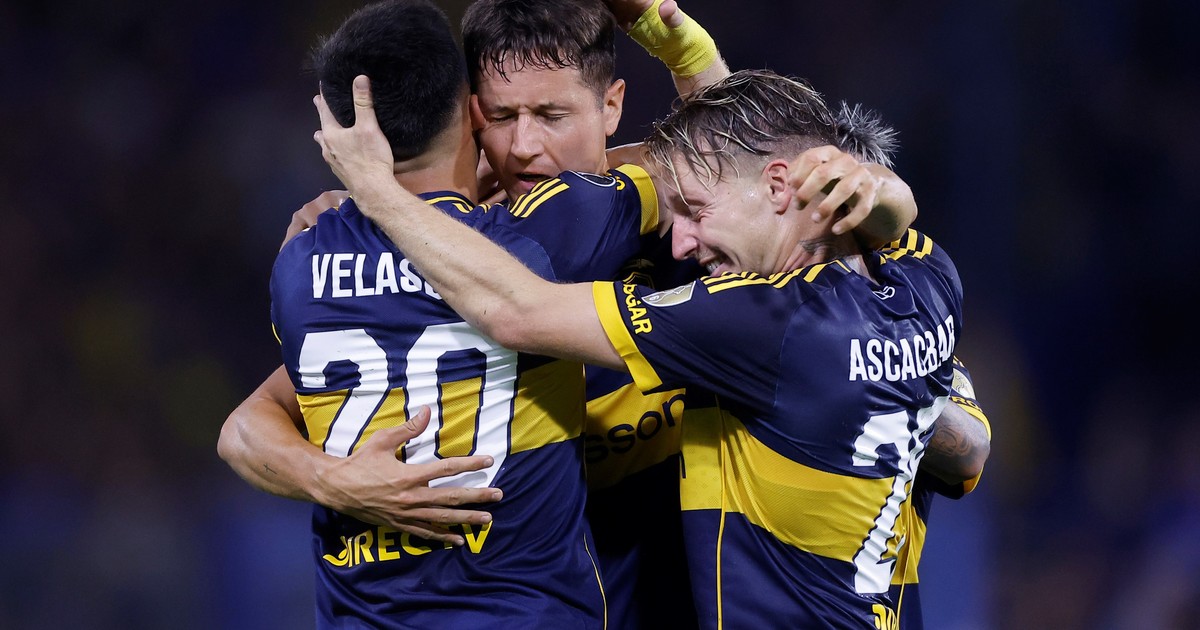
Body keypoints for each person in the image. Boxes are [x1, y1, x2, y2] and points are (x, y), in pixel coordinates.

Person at [312, 68, 969, 628]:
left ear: (779, 187)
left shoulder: (760, 322)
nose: (679, 242)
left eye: (694, 209)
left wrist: (377, 193)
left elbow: (514, 311)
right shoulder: (927, 280)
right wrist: (888, 193)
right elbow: (969, 452)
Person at [224, 0, 670, 625]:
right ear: (471, 113)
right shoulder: (547, 237)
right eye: (501, 116)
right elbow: (706, 164)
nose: (523, 146)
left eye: (548, 115)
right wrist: (686, 54)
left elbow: (241, 430)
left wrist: (331, 479)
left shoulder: (300, 261)